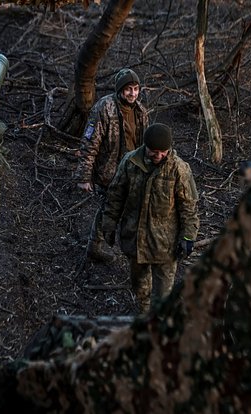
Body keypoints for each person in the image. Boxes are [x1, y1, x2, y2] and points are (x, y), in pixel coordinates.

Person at [101, 123, 199, 313]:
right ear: (145, 146)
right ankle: (144, 315)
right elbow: (115, 196)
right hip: (135, 239)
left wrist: (188, 237)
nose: (159, 156)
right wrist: (109, 224)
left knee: (163, 296)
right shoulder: (130, 162)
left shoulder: (179, 169)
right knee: (140, 287)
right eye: (154, 151)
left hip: (165, 244)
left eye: (163, 152)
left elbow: (188, 207)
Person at [75, 68, 149, 262]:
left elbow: (145, 144)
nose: (133, 94)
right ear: (119, 90)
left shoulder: (141, 111)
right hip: (110, 172)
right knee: (110, 207)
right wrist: (84, 177)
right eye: (128, 89)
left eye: (136, 89)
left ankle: (129, 246)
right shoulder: (104, 108)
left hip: (134, 169)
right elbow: (89, 143)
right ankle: (95, 246)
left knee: (128, 207)